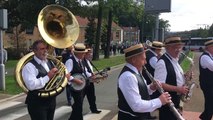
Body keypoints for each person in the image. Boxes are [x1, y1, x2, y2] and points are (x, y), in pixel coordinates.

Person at [117, 43, 172, 120]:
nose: (145, 62)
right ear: (133, 60)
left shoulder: (135, 72)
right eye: (143, 59)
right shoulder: (128, 77)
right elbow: (137, 105)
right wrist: (159, 101)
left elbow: (139, 91)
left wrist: (151, 88)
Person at [21, 40, 70, 120]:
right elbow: (31, 85)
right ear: (35, 51)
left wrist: (63, 78)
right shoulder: (29, 66)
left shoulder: (50, 62)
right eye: (42, 49)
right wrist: (47, 76)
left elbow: (55, 79)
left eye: (46, 48)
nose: (45, 51)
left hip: (50, 101)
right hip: (37, 103)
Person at [154, 36, 189, 120]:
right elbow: (159, 85)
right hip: (168, 103)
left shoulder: (173, 60)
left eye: (179, 47)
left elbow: (174, 75)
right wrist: (178, 89)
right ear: (167, 48)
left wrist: (184, 75)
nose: (178, 50)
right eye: (175, 47)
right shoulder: (162, 63)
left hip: (175, 99)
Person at [65, 43, 87, 120]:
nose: (84, 54)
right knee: (78, 104)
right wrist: (75, 80)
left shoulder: (80, 61)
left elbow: (82, 73)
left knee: (78, 105)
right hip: (74, 87)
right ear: (79, 53)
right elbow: (66, 74)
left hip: (80, 87)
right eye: (83, 53)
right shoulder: (70, 61)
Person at [82, 47, 102, 113]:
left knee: (92, 97)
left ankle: (94, 109)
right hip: (85, 83)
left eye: (91, 53)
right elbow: (85, 72)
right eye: (89, 53)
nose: (91, 54)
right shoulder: (82, 62)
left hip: (90, 82)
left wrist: (95, 77)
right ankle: (76, 108)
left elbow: (90, 71)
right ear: (85, 54)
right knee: (81, 98)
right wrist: (92, 76)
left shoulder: (89, 61)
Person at [199, 39, 213, 120]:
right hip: (207, 84)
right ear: (209, 48)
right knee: (210, 104)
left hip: (210, 84)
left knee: (210, 103)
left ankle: (204, 117)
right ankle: (205, 117)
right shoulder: (205, 57)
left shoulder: (210, 56)